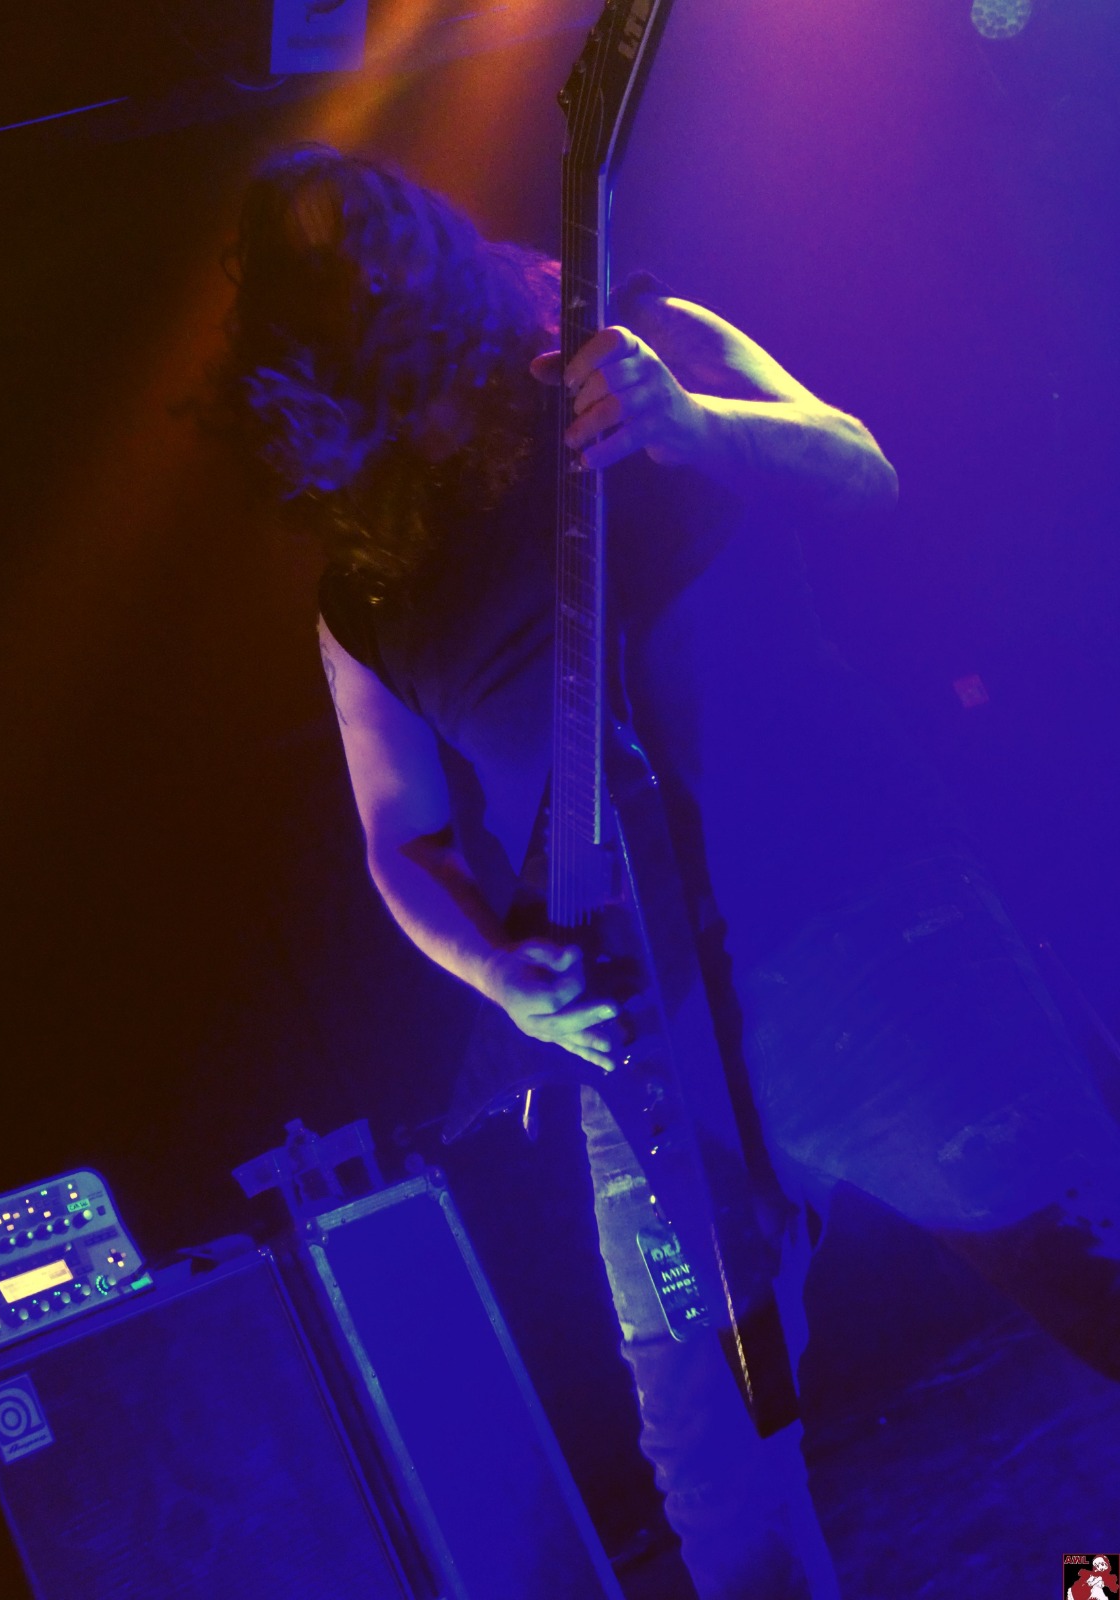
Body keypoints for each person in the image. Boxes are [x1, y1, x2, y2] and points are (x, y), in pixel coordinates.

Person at [222, 143, 1120, 1598]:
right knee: (717, 1474)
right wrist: (499, 973)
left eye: (371, 233)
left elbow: (862, 466)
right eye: (317, 273)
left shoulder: (633, 341)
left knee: (1093, 1266)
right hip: (636, 1044)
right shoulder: (362, 589)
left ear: (430, 239)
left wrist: (690, 422)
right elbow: (399, 837)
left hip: (859, 922)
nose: (362, 274)